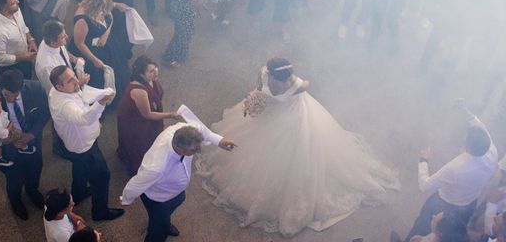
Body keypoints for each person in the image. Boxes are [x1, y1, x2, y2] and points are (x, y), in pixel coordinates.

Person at [197, 58, 399, 237]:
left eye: (285, 78)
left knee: (292, 153)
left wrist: (275, 99)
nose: (282, 81)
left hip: (292, 119)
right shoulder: (263, 72)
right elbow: (259, 88)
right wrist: (254, 99)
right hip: (269, 114)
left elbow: (305, 85)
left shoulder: (297, 85)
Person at [121, 109, 237, 242]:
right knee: (157, 231)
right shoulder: (156, 167)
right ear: (180, 149)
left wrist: (219, 140)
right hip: (158, 198)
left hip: (175, 191)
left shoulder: (184, 130)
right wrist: (125, 199)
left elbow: (202, 130)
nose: (198, 151)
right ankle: (159, 228)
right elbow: (136, 184)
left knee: (177, 201)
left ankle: (164, 223)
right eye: (194, 150)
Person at [404, 103, 498, 241]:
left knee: (422, 227)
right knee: (449, 237)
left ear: (467, 145)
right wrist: (464, 110)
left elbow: (424, 186)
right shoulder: (491, 149)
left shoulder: (456, 167)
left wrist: (423, 160)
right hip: (468, 205)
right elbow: (477, 124)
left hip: (445, 204)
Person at [48, 65, 124, 220]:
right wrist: (101, 102)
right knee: (103, 176)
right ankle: (100, 212)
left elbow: (78, 101)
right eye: (71, 80)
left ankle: (79, 193)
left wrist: (78, 83)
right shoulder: (65, 105)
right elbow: (83, 118)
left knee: (80, 168)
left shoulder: (57, 91)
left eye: (74, 76)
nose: (76, 81)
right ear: (59, 86)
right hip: (84, 147)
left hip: (75, 145)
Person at [0, 69, 49, 220]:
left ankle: (32, 190)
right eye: (6, 95)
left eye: (14, 96)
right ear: (0, 86)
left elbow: (44, 114)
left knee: (35, 169)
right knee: (13, 178)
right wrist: (6, 141)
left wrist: (32, 134)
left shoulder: (36, 88)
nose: (10, 100)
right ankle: (15, 201)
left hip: (33, 141)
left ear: (22, 86)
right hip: (8, 147)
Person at [117, 55, 180, 175]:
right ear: (141, 73)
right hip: (134, 121)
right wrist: (169, 115)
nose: (156, 72)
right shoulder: (139, 90)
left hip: (145, 113)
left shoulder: (150, 79)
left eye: (156, 68)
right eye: (151, 71)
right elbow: (147, 114)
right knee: (139, 144)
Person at [68, 0, 130, 91]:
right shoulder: (82, 20)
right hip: (90, 51)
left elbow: (110, 17)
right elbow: (79, 43)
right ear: (96, 6)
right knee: (98, 79)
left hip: (106, 43)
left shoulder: (103, 8)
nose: (106, 11)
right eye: (104, 9)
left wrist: (106, 34)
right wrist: (95, 60)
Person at [0, 0, 37, 78]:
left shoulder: (15, 9)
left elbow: (23, 26)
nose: (18, 2)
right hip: (11, 67)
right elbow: (0, 58)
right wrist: (21, 57)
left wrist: (30, 40)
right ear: (5, 9)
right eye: (13, 2)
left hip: (24, 57)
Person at [35, 18, 79, 93]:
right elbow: (56, 90)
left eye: (65, 34)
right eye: (63, 37)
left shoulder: (51, 42)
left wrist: (75, 59)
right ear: (53, 43)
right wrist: (79, 84)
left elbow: (62, 51)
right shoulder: (47, 66)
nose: (67, 37)